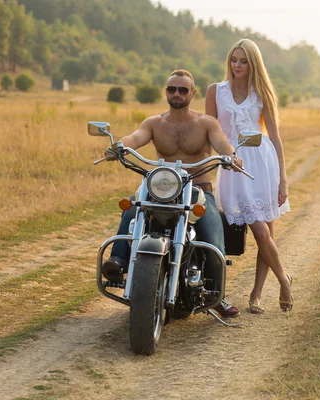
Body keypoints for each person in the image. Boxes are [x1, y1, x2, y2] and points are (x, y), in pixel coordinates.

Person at [102, 69, 242, 318]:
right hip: (162, 188)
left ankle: (216, 294)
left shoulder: (206, 123)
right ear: (166, 92)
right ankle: (118, 262)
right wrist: (119, 147)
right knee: (133, 207)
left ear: (193, 93)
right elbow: (136, 137)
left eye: (182, 90)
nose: (176, 94)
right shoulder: (155, 123)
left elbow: (221, 142)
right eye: (171, 89)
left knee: (213, 236)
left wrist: (231, 156)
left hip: (197, 189)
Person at [205, 39, 293, 313]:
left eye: (243, 61)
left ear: (253, 64)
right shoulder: (215, 91)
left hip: (262, 162)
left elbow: (275, 138)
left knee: (266, 231)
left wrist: (283, 178)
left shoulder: (262, 93)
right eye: (234, 59)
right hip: (232, 164)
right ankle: (285, 280)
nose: (237, 65)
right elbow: (209, 130)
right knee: (258, 230)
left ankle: (256, 294)